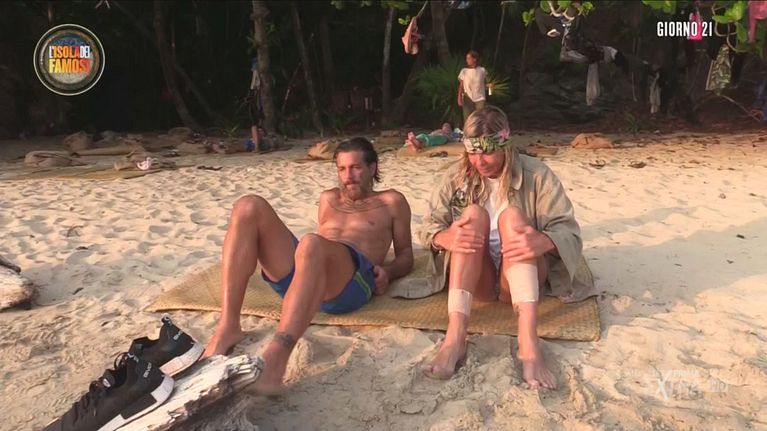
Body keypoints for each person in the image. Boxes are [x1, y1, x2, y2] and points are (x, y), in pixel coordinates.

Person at [204, 137, 414, 394]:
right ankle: (228, 327)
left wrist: (389, 272)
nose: (348, 176)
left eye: (356, 168)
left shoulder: (392, 202)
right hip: (308, 277)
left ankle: (276, 361)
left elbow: (406, 256)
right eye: (342, 169)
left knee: (311, 242)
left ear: (372, 168)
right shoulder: (328, 198)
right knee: (248, 205)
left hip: (349, 285)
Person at [419, 106, 594, 389]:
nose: (479, 161)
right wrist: (443, 237)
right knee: (472, 215)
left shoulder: (537, 175)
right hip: (477, 277)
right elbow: (427, 226)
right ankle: (455, 338)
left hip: (520, 275)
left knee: (512, 217)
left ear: (505, 144)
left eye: (488, 152)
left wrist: (543, 240)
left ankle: (528, 344)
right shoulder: (455, 176)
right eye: (473, 152)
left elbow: (569, 232)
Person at [457, 51, 490, 122]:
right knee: (467, 119)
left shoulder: (482, 70)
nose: (467, 60)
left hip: (480, 97)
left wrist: (489, 87)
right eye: (466, 58)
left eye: (469, 58)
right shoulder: (464, 71)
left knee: (480, 118)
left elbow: (485, 83)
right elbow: (461, 85)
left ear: (474, 59)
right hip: (468, 97)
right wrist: (459, 97)